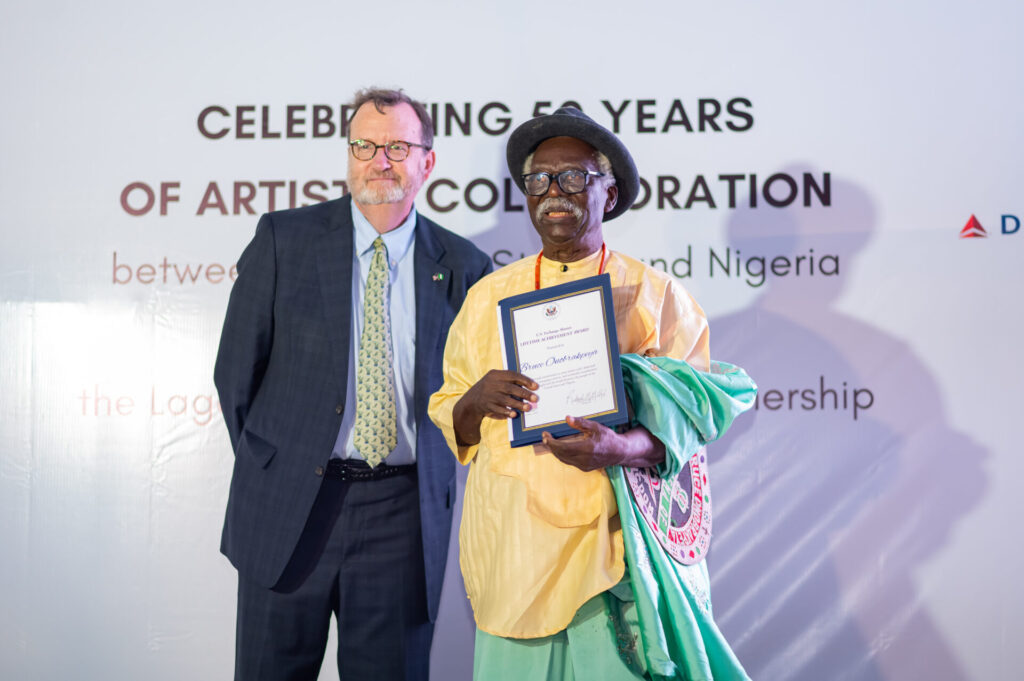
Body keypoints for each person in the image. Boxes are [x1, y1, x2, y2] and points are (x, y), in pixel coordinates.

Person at [428, 107, 754, 680]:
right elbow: (450, 409)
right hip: (514, 551)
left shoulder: (655, 296)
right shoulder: (486, 298)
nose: (554, 192)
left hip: (614, 556)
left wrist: (621, 449)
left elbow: (695, 419)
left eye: (574, 177)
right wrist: (476, 399)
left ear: (609, 193)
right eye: (539, 180)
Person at [214, 87, 492, 681]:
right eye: (363, 145)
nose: (378, 161)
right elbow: (236, 373)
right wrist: (278, 465)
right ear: (348, 155)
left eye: (396, 146)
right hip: (291, 505)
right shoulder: (284, 240)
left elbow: (471, 396)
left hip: (403, 514)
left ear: (426, 163)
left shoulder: (464, 266)